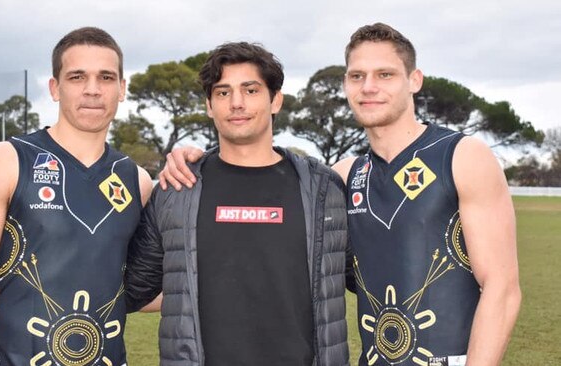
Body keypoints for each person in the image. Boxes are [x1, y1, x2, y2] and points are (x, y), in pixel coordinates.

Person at [159, 24, 521, 366]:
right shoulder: (343, 177)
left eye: (385, 74)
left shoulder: (462, 156)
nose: (368, 87)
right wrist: (192, 158)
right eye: (357, 76)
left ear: (414, 80)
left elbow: (502, 288)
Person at [0, 27, 161, 366]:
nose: (92, 90)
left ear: (122, 89)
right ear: (55, 88)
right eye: (77, 77)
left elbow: (133, 290)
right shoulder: (5, 161)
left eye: (106, 77)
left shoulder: (137, 180)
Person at [131, 42, 351, 365]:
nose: (236, 103)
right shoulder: (177, 190)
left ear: (275, 100)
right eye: (222, 93)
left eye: (250, 90)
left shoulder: (324, 190)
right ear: (208, 105)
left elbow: (368, 277)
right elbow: (133, 289)